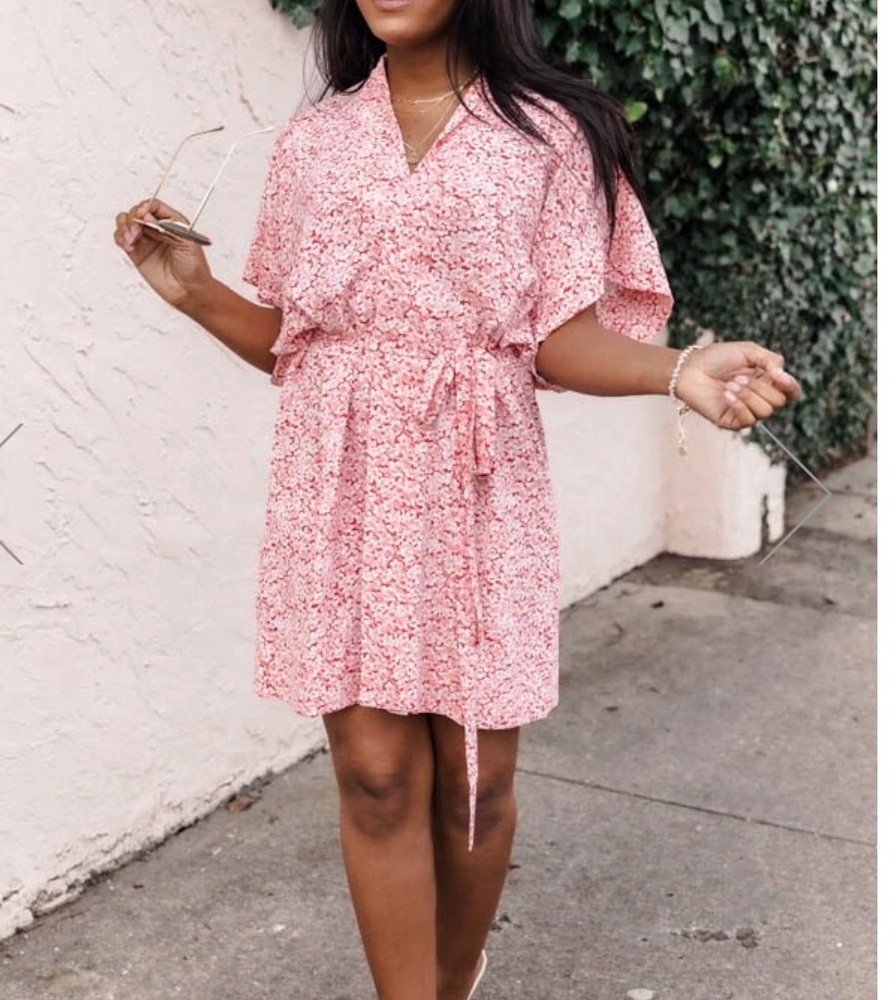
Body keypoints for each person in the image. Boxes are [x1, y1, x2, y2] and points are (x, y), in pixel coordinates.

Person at [114, 1, 801, 996]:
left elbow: (556, 340)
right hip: (341, 477)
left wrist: (677, 367)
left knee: (473, 789)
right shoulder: (316, 141)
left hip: (478, 482)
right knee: (377, 775)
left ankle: (454, 972)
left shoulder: (553, 138)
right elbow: (297, 342)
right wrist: (193, 290)